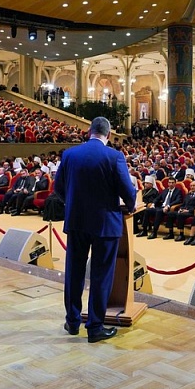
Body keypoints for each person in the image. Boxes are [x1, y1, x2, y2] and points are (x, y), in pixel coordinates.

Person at [53, 117, 137, 343]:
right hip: (105, 224)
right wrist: (131, 205)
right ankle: (95, 327)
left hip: (77, 221)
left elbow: (58, 188)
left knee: (74, 272)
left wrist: (72, 204)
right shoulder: (114, 156)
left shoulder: (70, 155)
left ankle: (72, 322)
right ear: (108, 135)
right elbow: (128, 192)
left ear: (88, 131)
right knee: (101, 276)